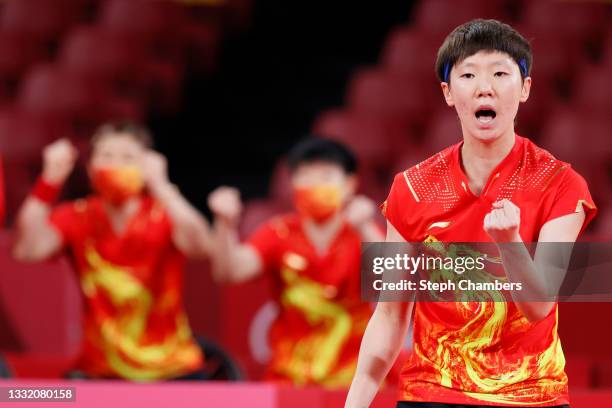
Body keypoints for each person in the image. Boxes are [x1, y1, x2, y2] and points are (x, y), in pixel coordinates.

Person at [345, 19, 597, 408]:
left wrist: (510, 243)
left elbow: (539, 305)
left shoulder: (562, 185)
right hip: (432, 393)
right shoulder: (412, 187)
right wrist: (356, 402)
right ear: (448, 93)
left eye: (500, 73)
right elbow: (390, 316)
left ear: (525, 88)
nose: (485, 87)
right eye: (468, 74)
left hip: (531, 396)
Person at [13, 121, 215, 381]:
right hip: (97, 372)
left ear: (146, 166)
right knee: (30, 397)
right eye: (106, 156)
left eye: (127, 157)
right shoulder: (78, 216)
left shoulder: (164, 214)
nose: (116, 165)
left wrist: (162, 186)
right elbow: (27, 249)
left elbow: (201, 246)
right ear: (90, 169)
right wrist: (49, 181)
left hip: (172, 371)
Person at [208, 137, 383, 387]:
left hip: (354, 381)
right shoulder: (278, 232)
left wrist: (366, 227)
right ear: (292, 184)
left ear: (349, 184)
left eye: (325, 176)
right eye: (305, 176)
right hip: (288, 379)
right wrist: (224, 224)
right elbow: (229, 272)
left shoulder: (363, 233)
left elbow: (398, 280)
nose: (314, 185)